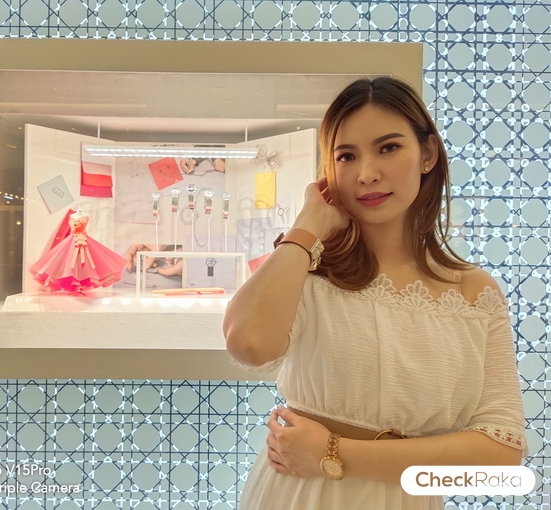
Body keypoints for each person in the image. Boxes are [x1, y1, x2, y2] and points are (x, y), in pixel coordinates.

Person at [223, 77, 527, 509]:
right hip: (298, 495)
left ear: (427, 154)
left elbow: (501, 460)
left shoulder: (475, 294)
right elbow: (248, 344)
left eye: (388, 147)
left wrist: (334, 455)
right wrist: (308, 225)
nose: (366, 174)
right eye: (346, 156)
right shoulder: (308, 271)